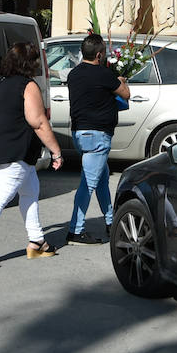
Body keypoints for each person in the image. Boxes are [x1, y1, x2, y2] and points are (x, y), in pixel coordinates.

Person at [0, 42, 63, 269]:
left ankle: (37, 241)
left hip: (7, 149)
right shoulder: (28, 86)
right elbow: (37, 121)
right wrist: (56, 151)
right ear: (30, 63)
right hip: (18, 150)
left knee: (30, 191)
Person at [66, 33, 129, 245]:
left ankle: (112, 222)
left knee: (101, 180)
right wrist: (121, 80)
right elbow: (125, 94)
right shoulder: (103, 74)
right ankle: (75, 230)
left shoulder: (73, 74)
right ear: (100, 54)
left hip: (79, 134)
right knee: (88, 185)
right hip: (97, 136)